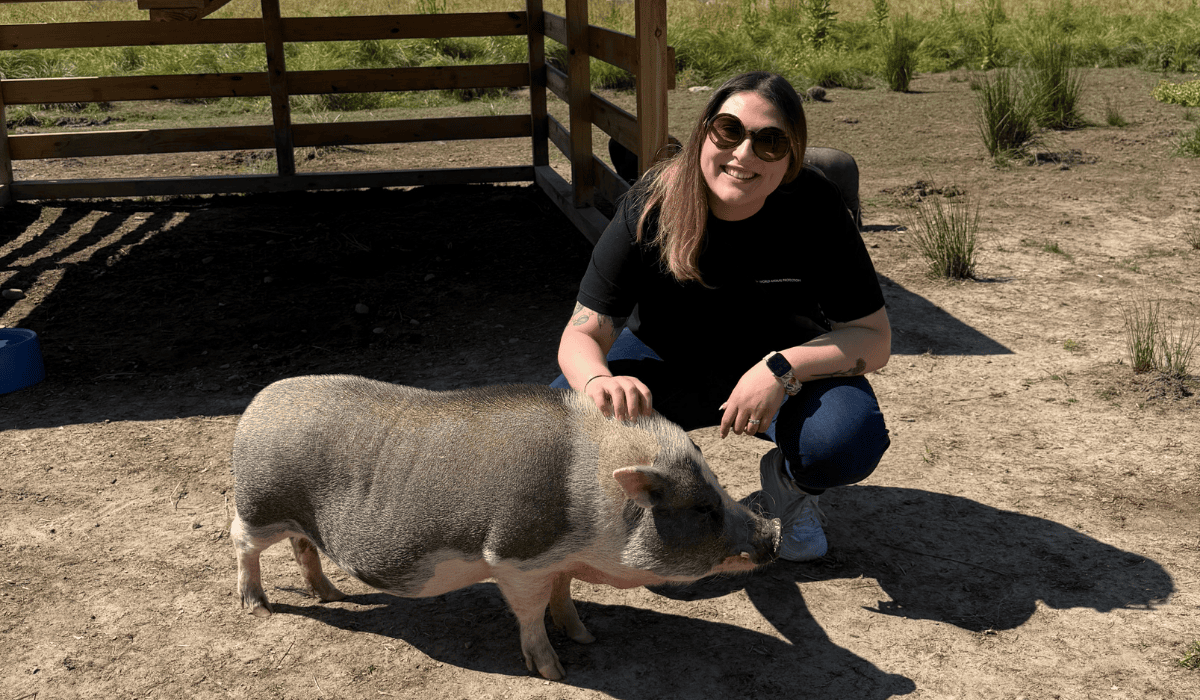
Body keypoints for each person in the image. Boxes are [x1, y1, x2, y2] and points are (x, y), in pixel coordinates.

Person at [551, 71, 891, 561]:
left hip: (784, 370)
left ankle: (791, 490)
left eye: (769, 142)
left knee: (846, 441)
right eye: (729, 131)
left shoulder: (815, 205)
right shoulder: (652, 205)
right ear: (703, 133)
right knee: (566, 422)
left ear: (791, 157)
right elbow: (582, 333)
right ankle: (673, 490)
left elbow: (874, 339)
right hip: (665, 362)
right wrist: (597, 382)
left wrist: (783, 367)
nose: (744, 154)